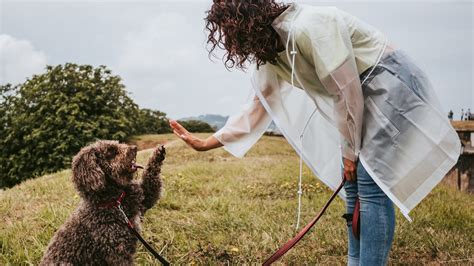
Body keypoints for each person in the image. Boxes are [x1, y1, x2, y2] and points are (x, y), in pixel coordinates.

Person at [170, 1, 461, 265]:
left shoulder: (311, 26)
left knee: (371, 182)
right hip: (359, 96)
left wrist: (350, 153)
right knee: (351, 183)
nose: (229, 41)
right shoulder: (269, 51)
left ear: (246, 21)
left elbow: (346, 93)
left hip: (390, 84)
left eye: (229, 31)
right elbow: (257, 108)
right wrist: (206, 142)